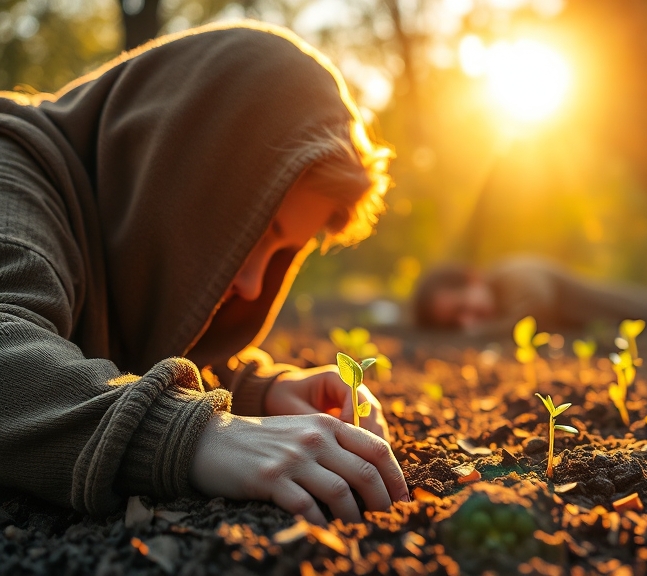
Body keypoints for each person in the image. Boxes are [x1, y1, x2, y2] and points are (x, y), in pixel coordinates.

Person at [0, 22, 409, 525]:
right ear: (176, 165)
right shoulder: (12, 185)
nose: (254, 285)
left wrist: (257, 392)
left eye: (282, 252)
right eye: (254, 232)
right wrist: (195, 436)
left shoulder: (108, 220)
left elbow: (117, 342)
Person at [412, 256, 647, 336]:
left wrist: (483, 330)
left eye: (462, 307)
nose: (467, 321)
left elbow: (538, 307)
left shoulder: (517, 272)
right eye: (455, 323)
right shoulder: (501, 304)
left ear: (473, 279)